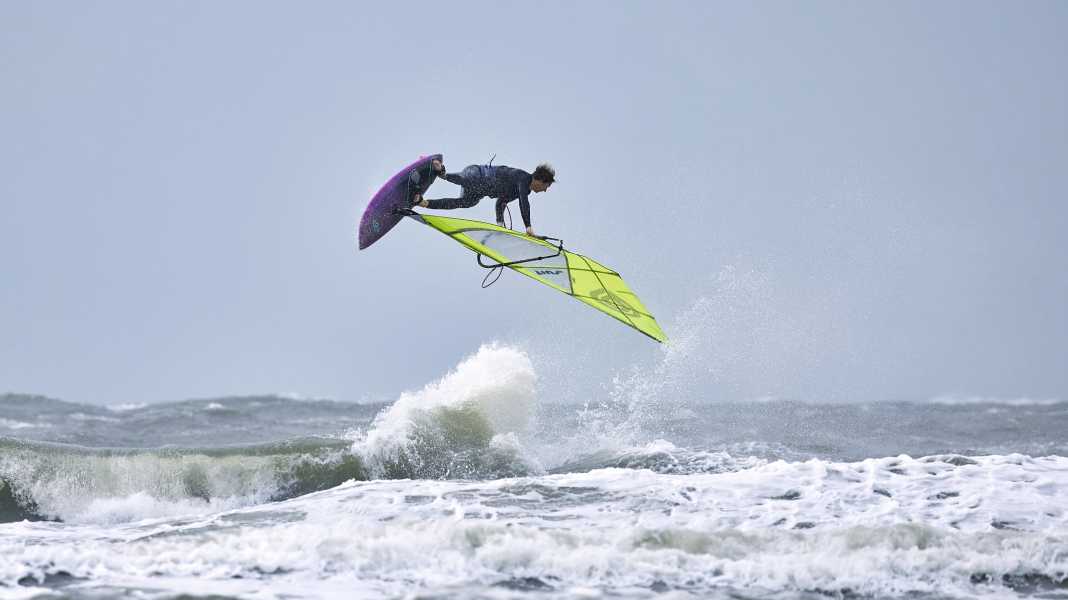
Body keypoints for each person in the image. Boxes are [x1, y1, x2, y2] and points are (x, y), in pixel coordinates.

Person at [414, 160, 555, 237]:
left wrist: (500, 225)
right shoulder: (523, 178)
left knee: (467, 202)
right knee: (471, 181)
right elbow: (524, 203)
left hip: (479, 190)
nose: (546, 190)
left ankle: (422, 202)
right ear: (540, 180)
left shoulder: (523, 190)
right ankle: (442, 172)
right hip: (477, 173)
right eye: (546, 186)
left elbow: (501, 202)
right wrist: (528, 227)